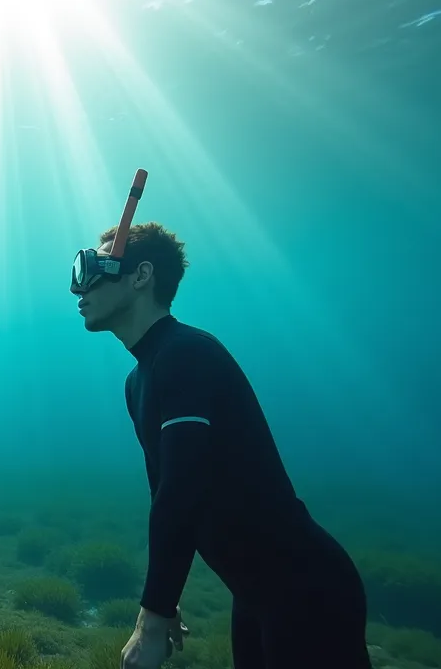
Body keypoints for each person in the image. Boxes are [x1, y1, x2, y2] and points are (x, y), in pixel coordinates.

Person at [71, 219, 373, 669]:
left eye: (93, 268)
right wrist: (167, 601)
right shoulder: (138, 381)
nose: (80, 288)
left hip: (308, 588)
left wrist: (150, 621)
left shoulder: (187, 353)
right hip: (253, 594)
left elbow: (181, 492)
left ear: (140, 276)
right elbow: (165, 493)